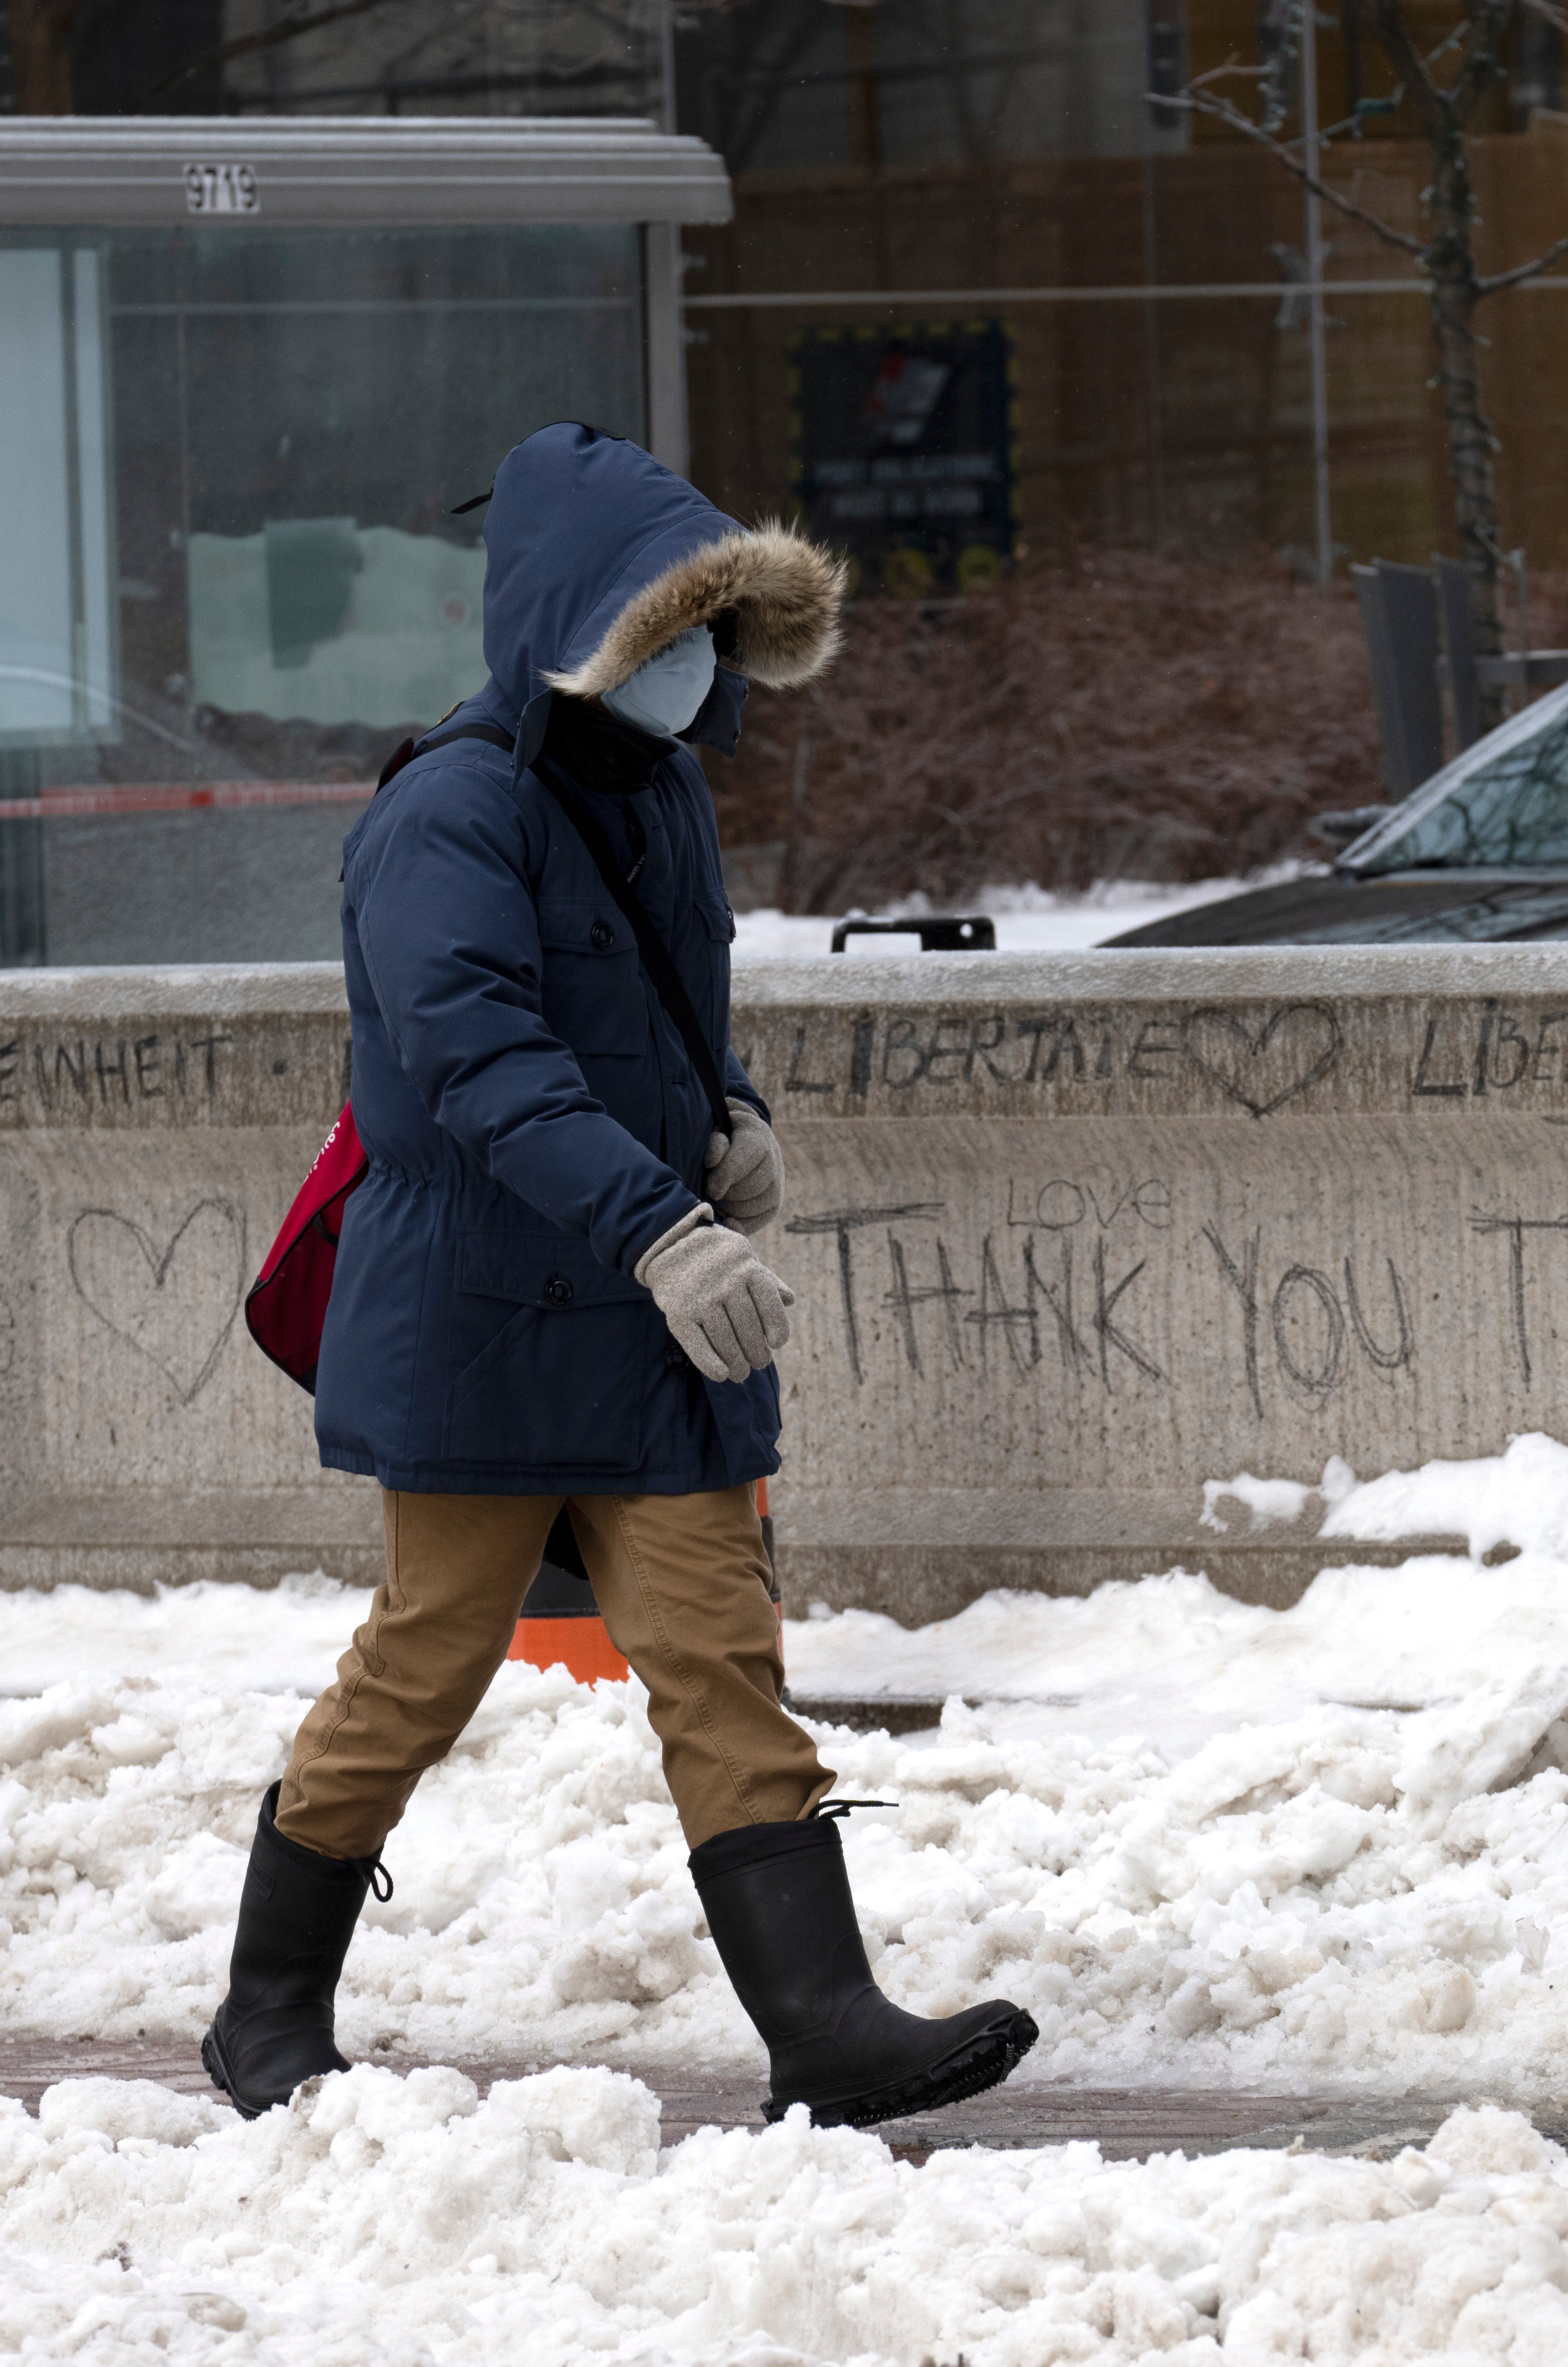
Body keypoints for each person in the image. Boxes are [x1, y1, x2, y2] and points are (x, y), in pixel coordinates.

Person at [202, 422, 1035, 2129]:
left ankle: (827, 2025)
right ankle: (265, 2008)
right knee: (427, 1661)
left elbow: (667, 1018)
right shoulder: (447, 813)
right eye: (672, 634)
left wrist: (733, 1119)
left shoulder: (659, 792)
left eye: (715, 635)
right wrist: (661, 1230)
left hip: (654, 1328)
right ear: (582, 627)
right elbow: (481, 1058)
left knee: (722, 1657)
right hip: (489, 1319)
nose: (700, 671)